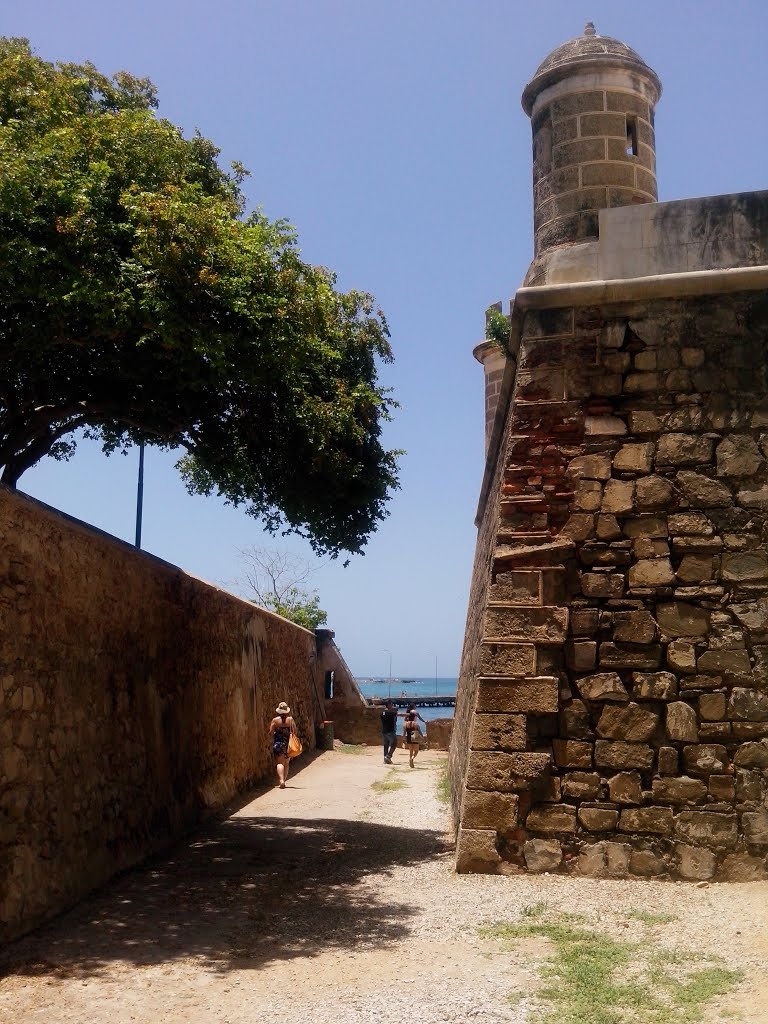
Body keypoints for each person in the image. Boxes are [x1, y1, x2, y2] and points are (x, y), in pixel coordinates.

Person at [269, 701, 297, 789]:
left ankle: (281, 780)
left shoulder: (275, 720)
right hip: (287, 744)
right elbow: (294, 731)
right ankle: (284, 780)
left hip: (278, 744)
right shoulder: (290, 719)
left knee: (279, 763)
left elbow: (271, 733)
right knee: (286, 763)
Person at [381, 699, 398, 764]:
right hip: (390, 731)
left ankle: (385, 758)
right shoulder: (391, 713)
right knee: (394, 743)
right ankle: (388, 756)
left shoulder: (382, 713)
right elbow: (400, 714)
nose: (392, 706)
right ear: (389, 705)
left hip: (384, 731)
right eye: (392, 704)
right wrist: (409, 714)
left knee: (386, 745)